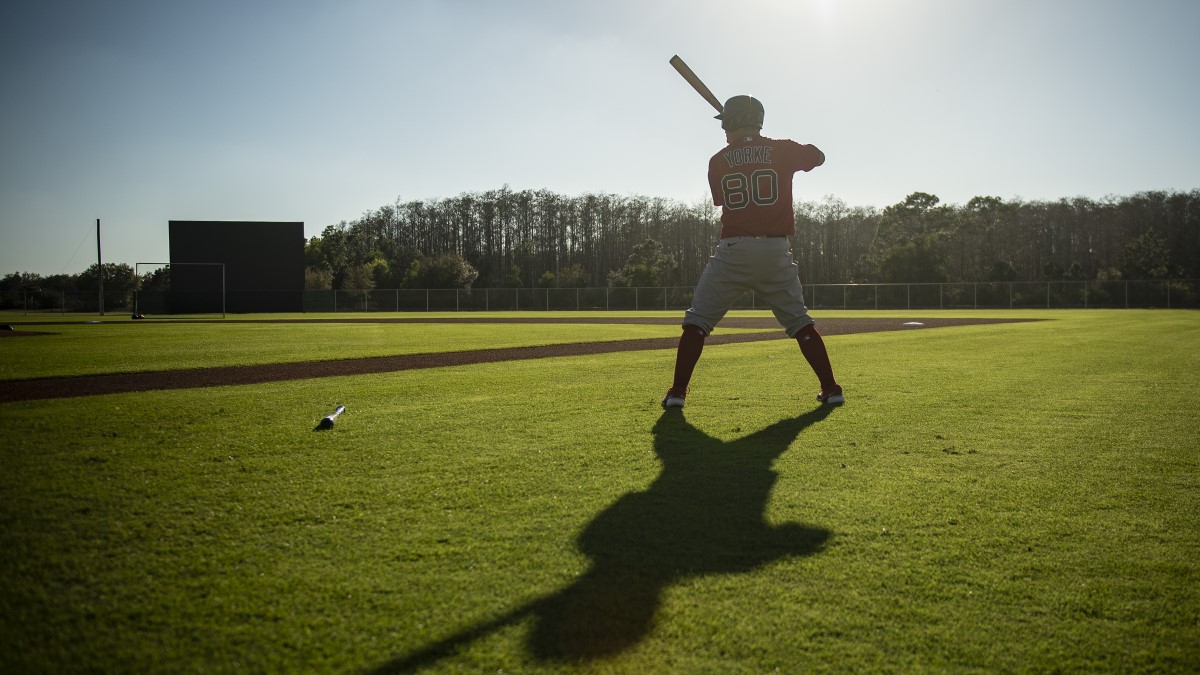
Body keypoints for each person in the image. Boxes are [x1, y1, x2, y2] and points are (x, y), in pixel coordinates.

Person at [662, 94, 843, 409]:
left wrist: (746, 147)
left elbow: (722, 199)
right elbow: (819, 156)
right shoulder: (782, 149)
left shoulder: (717, 160)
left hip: (734, 249)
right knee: (800, 322)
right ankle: (831, 388)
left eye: (725, 125)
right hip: (775, 250)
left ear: (731, 122)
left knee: (697, 322)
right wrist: (778, 150)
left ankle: (677, 392)